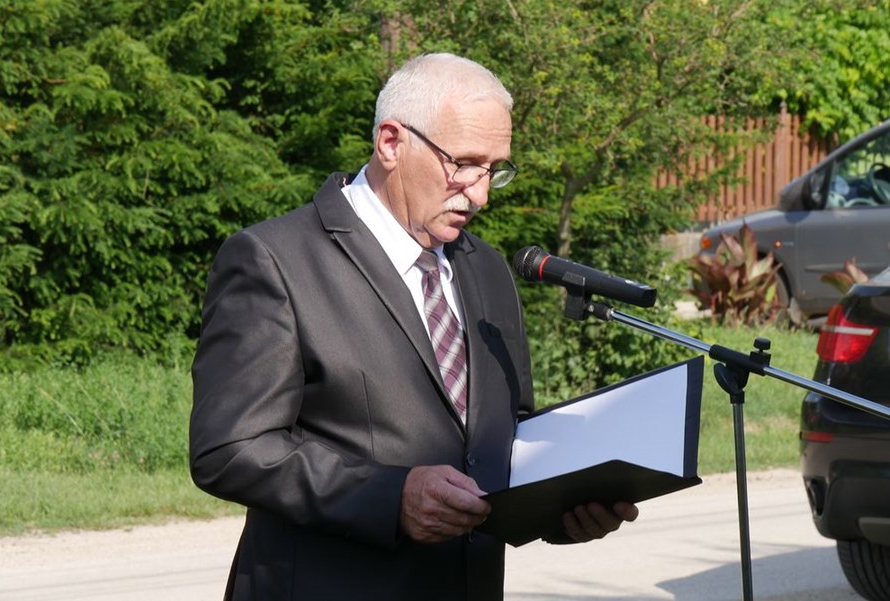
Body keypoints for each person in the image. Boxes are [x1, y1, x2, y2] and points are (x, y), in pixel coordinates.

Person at [189, 52, 639, 601]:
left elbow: (502, 435)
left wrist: (561, 507)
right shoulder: (274, 259)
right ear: (391, 143)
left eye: (494, 170)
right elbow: (230, 449)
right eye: (464, 163)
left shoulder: (487, 268)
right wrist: (391, 498)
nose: (480, 193)